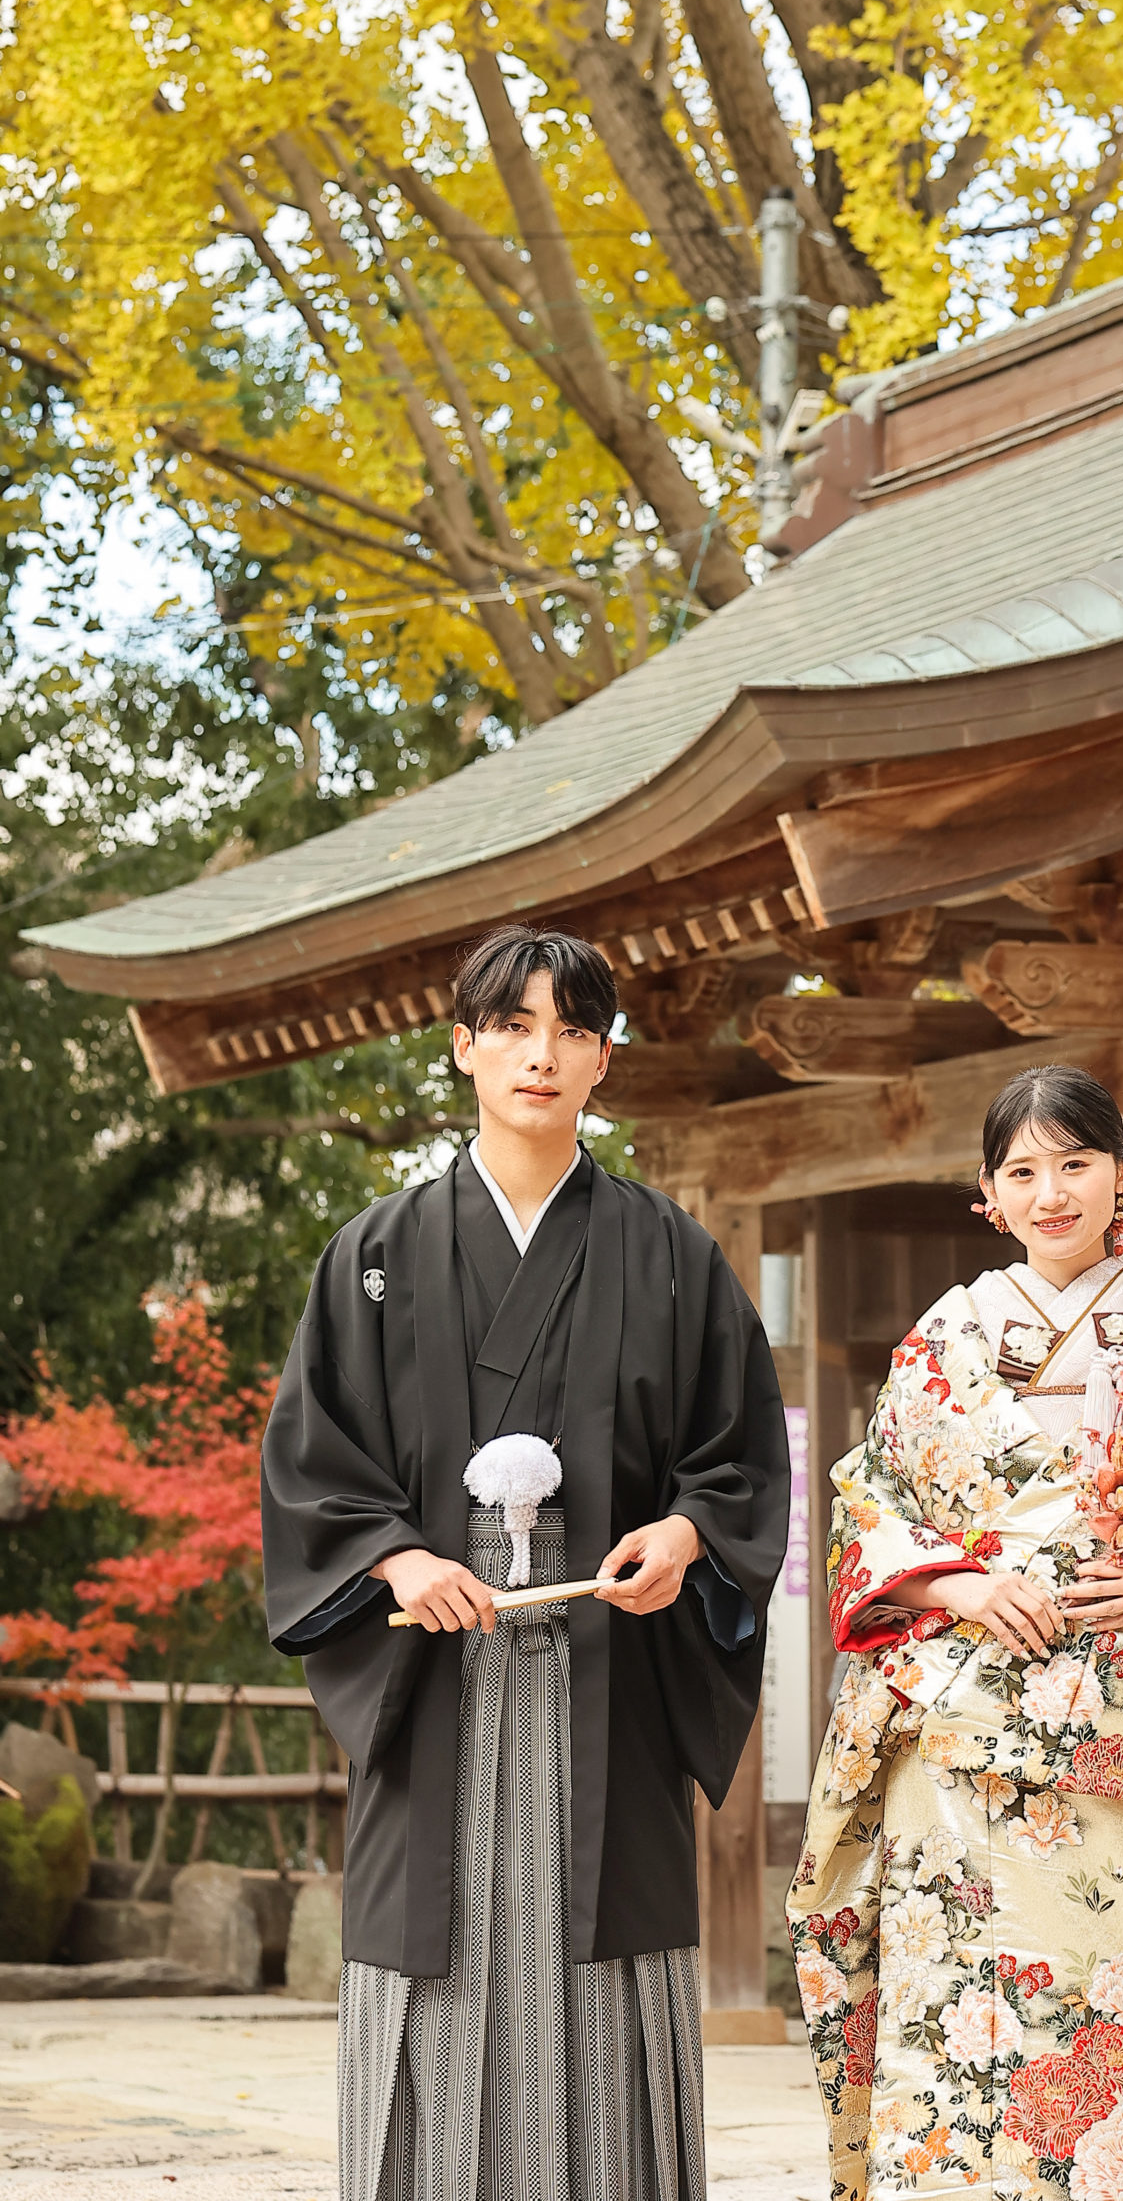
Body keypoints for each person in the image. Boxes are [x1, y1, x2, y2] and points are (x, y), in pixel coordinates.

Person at [262, 923, 789, 2201]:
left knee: (604, 1973)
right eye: (511, 1025)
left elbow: (737, 1454)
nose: (540, 1054)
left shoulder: (671, 1253)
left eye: (571, 1029)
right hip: (433, 1657)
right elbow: (313, 1461)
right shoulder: (375, 1254)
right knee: (433, 1964)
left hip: (612, 1655)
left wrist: (686, 1533)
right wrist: (394, 1558)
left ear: (605, 1059)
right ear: (464, 1047)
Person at [788, 1064, 1123, 2201]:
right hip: (964, 1730)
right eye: (1023, 1171)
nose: (1051, 1193)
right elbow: (869, 1507)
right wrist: (956, 1586)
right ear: (989, 1192)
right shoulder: (944, 1336)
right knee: (961, 2004)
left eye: (1075, 1164)